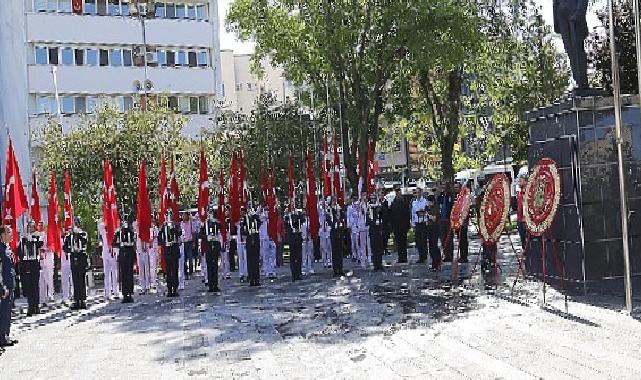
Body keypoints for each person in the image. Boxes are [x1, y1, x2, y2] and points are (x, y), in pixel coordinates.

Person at [63, 217, 89, 310]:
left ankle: (83, 300)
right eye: (75, 223)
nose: (76, 224)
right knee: (75, 279)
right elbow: (65, 247)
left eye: (77, 222)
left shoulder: (83, 234)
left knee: (81, 280)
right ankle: (76, 300)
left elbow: (85, 242)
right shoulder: (69, 236)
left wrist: (78, 234)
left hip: (81, 257)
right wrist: (70, 249)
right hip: (73, 257)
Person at [18, 221, 42, 316]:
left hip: (34, 263)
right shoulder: (23, 238)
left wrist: (33, 240)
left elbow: (41, 244)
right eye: (29, 227)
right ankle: (30, 306)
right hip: (26, 264)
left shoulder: (37, 237)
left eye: (32, 227)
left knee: (35, 285)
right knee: (28, 286)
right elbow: (20, 252)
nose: (30, 229)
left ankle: (36, 306)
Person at [0, 225, 17, 347]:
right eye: (9, 232)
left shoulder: (7, 248)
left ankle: (6, 334)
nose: (11, 234)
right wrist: (2, 286)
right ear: (3, 234)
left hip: (10, 284)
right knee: (3, 312)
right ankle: (2, 337)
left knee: (8, 311)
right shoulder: (0, 249)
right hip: (4, 285)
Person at [158, 210, 182, 297]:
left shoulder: (176, 225)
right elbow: (159, 238)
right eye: (167, 214)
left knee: (175, 270)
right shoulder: (163, 226)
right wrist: (164, 243)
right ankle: (169, 289)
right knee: (168, 271)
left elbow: (179, 233)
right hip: (167, 250)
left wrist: (173, 228)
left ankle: (175, 288)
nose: (168, 216)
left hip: (174, 249)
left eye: (170, 214)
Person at [113, 215, 136, 303]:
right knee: (123, 274)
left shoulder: (131, 230)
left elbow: (133, 241)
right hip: (122, 253)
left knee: (130, 274)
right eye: (123, 220)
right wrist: (118, 246)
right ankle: (124, 294)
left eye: (126, 220)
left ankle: (130, 293)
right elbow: (114, 243)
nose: (124, 222)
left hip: (129, 253)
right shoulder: (118, 232)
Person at [200, 208, 222, 292]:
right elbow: (200, 234)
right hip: (208, 246)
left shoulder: (216, 223)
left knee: (215, 266)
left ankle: (215, 284)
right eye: (209, 213)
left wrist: (215, 221)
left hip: (215, 245)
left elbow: (221, 226)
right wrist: (206, 237)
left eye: (211, 213)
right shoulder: (204, 224)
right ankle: (210, 285)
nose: (210, 215)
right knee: (209, 266)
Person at [98, 220, 119, 300]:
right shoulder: (103, 228)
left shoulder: (114, 227)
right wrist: (106, 224)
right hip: (105, 253)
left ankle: (115, 291)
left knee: (114, 273)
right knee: (106, 274)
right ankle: (107, 293)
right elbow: (100, 227)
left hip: (112, 252)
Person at [390, 187, 410, 263]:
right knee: (399, 243)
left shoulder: (404, 202)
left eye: (399, 193)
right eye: (397, 193)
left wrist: (408, 225)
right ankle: (400, 257)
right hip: (396, 226)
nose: (399, 194)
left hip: (403, 226)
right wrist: (392, 227)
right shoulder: (393, 203)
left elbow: (407, 214)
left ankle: (404, 257)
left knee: (404, 242)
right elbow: (391, 216)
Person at [438, 183, 455, 262]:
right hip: (441, 220)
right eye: (442, 185)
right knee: (443, 238)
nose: (443, 187)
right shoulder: (441, 196)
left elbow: (452, 206)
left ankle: (450, 255)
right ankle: (445, 255)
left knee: (449, 238)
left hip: (448, 219)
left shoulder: (450, 195)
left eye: (445, 185)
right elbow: (438, 204)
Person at [453, 182, 469, 263]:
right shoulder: (456, 197)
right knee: (459, 239)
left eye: (457, 187)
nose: (456, 189)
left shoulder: (464, 197)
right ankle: (461, 255)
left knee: (463, 239)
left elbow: (466, 209)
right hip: (457, 222)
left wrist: (464, 220)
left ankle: (464, 256)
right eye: (455, 187)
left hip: (463, 222)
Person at [329, 197, 345, 277]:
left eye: (335, 200)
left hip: (339, 231)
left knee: (340, 251)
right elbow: (328, 219)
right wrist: (334, 225)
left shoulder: (339, 209)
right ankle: (335, 270)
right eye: (333, 201)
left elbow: (343, 217)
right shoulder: (329, 210)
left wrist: (341, 223)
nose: (334, 202)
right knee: (334, 251)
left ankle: (340, 268)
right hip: (333, 232)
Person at [259, 207, 277, 279]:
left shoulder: (272, 217)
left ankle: (272, 270)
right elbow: (258, 216)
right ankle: (266, 271)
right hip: (264, 238)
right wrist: (261, 208)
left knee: (272, 255)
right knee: (265, 255)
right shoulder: (261, 217)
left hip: (272, 237)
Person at [135, 220, 152, 295]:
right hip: (139, 252)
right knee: (141, 270)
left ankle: (148, 286)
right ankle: (143, 286)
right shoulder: (137, 233)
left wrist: (144, 244)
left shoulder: (145, 230)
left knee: (146, 269)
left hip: (144, 250)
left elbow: (147, 238)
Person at [368, 194, 385, 271]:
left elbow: (383, 215)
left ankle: (380, 263)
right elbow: (367, 219)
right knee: (374, 247)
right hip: (373, 229)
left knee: (379, 247)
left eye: (374, 198)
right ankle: (375, 264)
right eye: (371, 198)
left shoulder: (379, 206)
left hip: (379, 229)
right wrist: (373, 223)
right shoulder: (369, 207)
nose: (373, 200)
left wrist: (380, 208)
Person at [411, 188, 428, 264]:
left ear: (421, 193)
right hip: (417, 223)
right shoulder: (414, 202)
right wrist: (413, 224)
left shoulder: (424, 202)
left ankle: (424, 256)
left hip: (423, 223)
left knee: (423, 240)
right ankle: (420, 256)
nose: (417, 194)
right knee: (418, 241)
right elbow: (413, 214)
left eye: (418, 192)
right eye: (416, 193)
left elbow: (427, 211)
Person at [286, 207, 303, 281]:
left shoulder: (298, 215)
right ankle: (294, 274)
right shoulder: (287, 216)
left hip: (298, 237)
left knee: (299, 256)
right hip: (292, 238)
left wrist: (298, 214)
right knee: (293, 257)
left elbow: (302, 220)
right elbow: (286, 226)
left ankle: (298, 273)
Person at [245, 207, 261, 286]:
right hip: (249, 240)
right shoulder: (245, 219)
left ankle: (257, 278)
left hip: (256, 239)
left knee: (256, 260)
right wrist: (247, 231)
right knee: (250, 260)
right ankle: (251, 278)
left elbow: (259, 222)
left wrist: (254, 215)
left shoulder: (256, 218)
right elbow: (242, 230)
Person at [426, 194, 441, 270]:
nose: (428, 203)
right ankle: (434, 262)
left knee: (434, 246)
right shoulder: (428, 208)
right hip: (429, 227)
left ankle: (436, 262)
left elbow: (434, 218)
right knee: (431, 245)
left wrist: (427, 214)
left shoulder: (436, 207)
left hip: (435, 227)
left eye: (429, 202)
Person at [60, 228, 73, 304]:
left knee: (73, 279)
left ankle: (74, 294)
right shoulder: (60, 238)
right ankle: (65, 296)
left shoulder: (71, 238)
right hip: (63, 262)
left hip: (71, 261)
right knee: (64, 280)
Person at [237, 207, 249, 282]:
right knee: (240, 258)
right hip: (239, 241)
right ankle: (241, 274)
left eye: (243, 211)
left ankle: (247, 274)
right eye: (241, 211)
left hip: (245, 241)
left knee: (246, 258)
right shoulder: (237, 220)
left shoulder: (247, 220)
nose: (241, 213)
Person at [301, 210, 315, 275]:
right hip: (303, 239)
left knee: (310, 254)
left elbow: (312, 229)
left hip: (309, 239)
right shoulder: (301, 221)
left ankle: (310, 268)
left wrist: (309, 233)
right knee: (304, 255)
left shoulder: (310, 221)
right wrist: (303, 236)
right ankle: (304, 268)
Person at [516, 173, 528, 250]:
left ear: (526, 181)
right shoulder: (519, 193)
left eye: (521, 181)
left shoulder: (529, 193)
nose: (519, 182)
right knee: (523, 241)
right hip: (520, 220)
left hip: (527, 221)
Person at [149, 218, 160, 290]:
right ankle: (152, 281)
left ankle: (154, 279)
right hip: (150, 249)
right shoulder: (149, 229)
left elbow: (157, 237)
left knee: (155, 265)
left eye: (153, 222)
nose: (152, 223)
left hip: (155, 248)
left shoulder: (155, 228)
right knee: (152, 265)